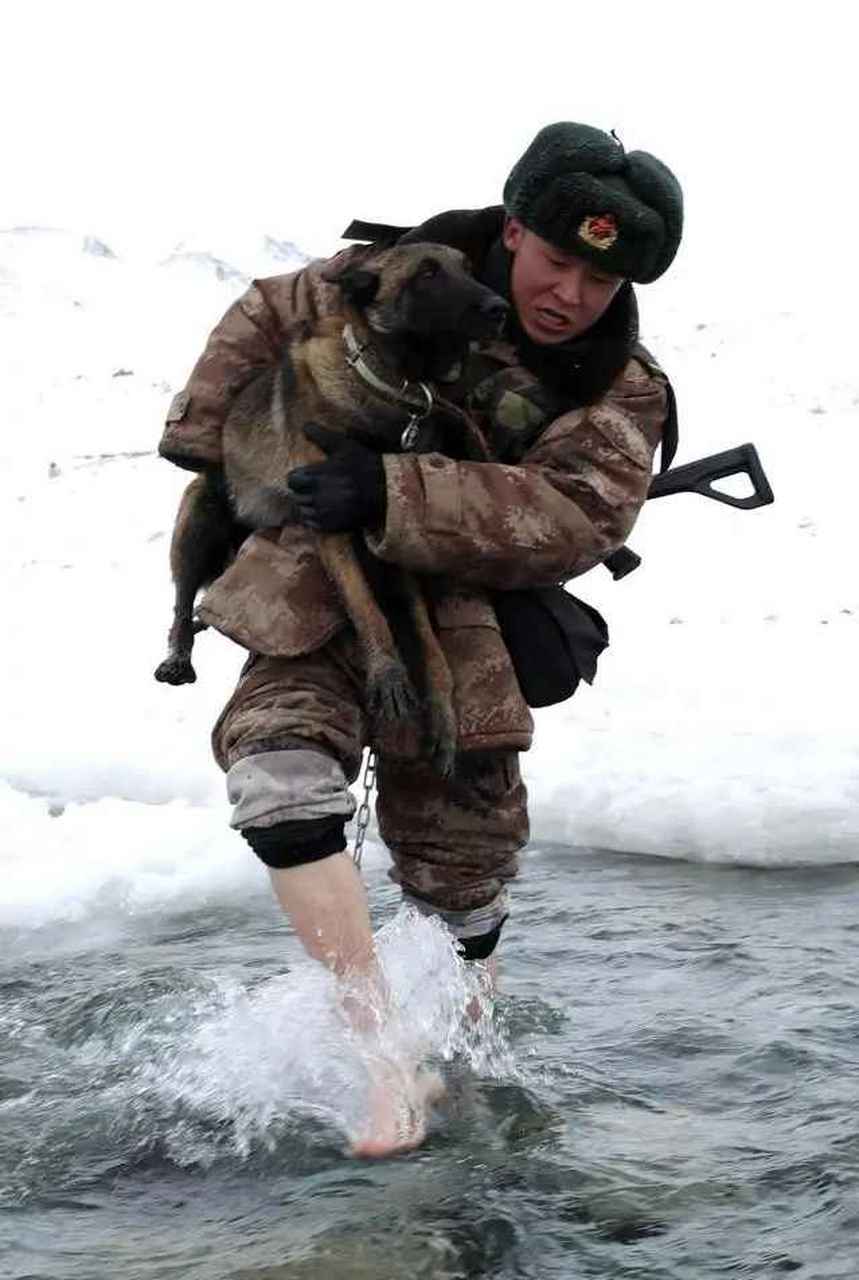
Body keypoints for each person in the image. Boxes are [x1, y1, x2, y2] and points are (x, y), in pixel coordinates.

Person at [158, 122, 683, 1155]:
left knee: (463, 871)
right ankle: (383, 1059)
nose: (572, 293)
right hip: (311, 582)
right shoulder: (388, 275)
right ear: (514, 227)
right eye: (559, 259)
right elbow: (267, 310)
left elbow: (575, 516)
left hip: (466, 617)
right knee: (278, 777)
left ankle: (473, 1048)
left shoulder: (619, 384)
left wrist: (394, 488)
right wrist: (219, 443)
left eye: (602, 280)